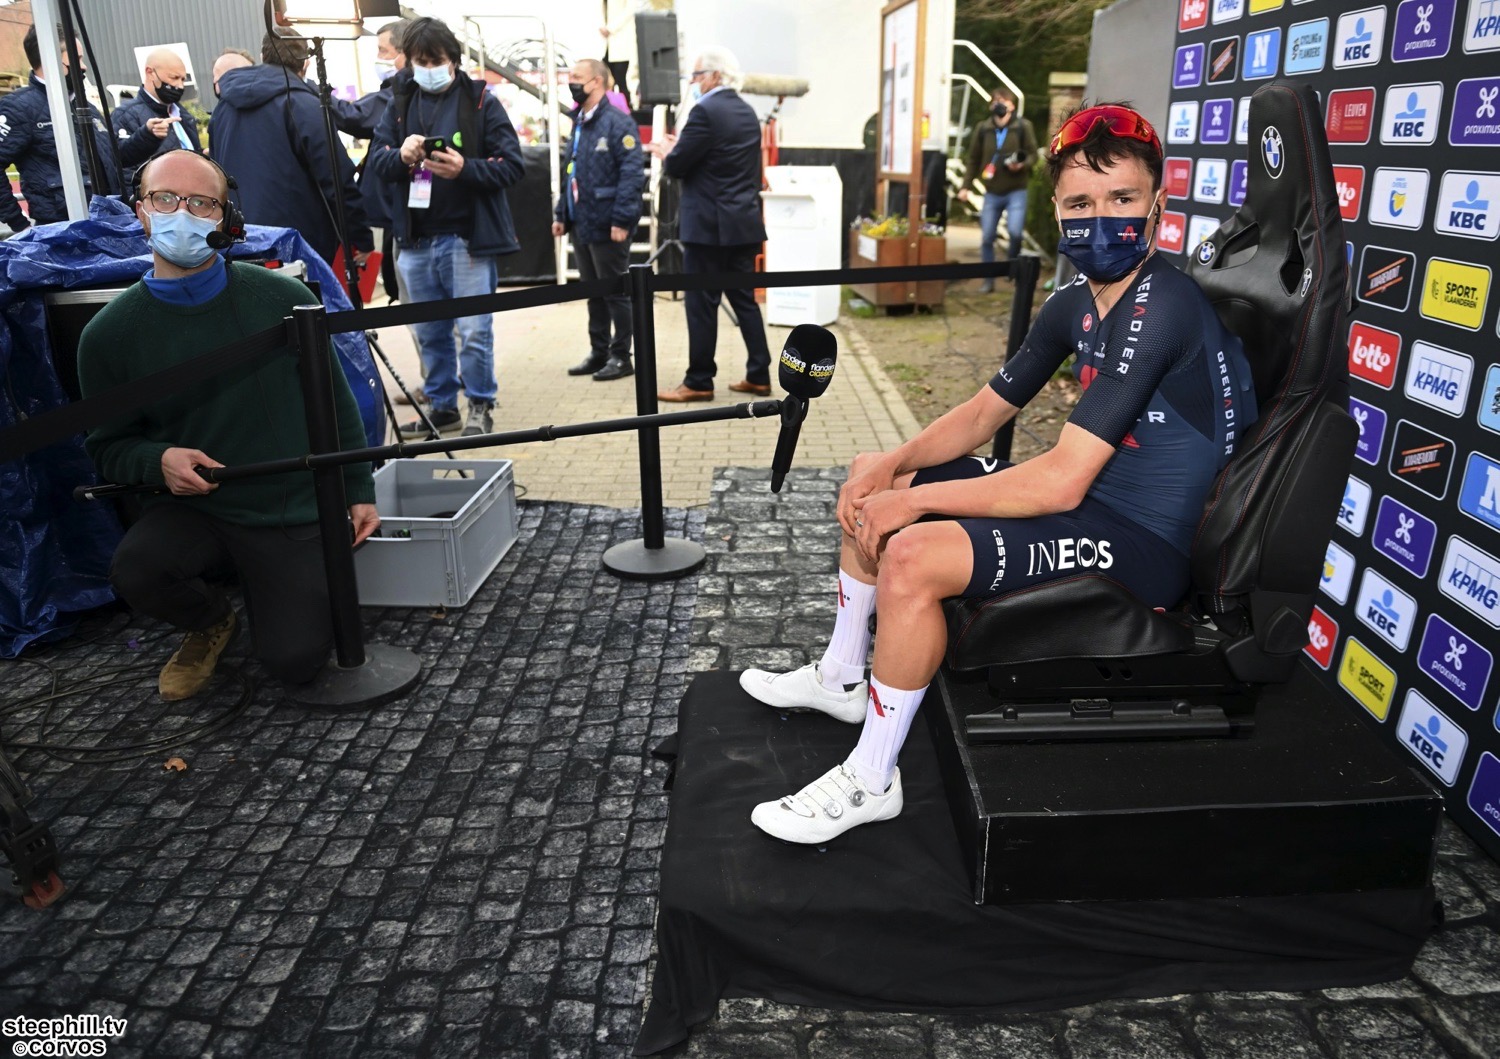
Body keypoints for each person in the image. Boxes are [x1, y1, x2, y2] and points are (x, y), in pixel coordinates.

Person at [739, 104, 1259, 844]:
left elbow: (1059, 483)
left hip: (1145, 545)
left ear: (1158, 204)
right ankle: (842, 677)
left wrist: (908, 506)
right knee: (872, 474)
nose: (1101, 220)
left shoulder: (1163, 307)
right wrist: (891, 465)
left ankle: (872, 778)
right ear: (1057, 211)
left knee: (912, 553)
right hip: (1091, 503)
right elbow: (985, 412)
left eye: (1123, 199)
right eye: (1080, 203)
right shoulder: (1077, 301)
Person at [76, 151, 379, 700]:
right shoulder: (106, 336)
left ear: (226, 219)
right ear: (140, 212)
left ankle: (272, 596)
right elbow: (108, 446)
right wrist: (157, 461)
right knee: (137, 571)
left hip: (290, 506)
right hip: (195, 510)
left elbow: (338, 402)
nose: (182, 213)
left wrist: (358, 489)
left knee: (294, 661)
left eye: (201, 203)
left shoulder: (283, 298)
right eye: (165, 199)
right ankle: (211, 621)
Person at [369, 16, 525, 439]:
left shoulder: (481, 101)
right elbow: (377, 161)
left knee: (473, 330)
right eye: (420, 61)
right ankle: (442, 407)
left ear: (453, 59)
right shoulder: (400, 102)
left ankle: (480, 404)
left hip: (466, 240)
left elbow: (512, 165)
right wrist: (401, 155)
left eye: (435, 60)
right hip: (415, 240)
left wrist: (465, 169)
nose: (428, 69)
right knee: (429, 331)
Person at [647, 46, 771, 403]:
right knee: (744, 302)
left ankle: (699, 381)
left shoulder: (704, 111)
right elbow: (724, 161)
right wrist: (682, 149)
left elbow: (678, 166)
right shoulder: (746, 111)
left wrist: (669, 152)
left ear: (715, 76)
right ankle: (759, 374)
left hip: (708, 228)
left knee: (701, 305)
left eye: (697, 75)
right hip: (742, 224)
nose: (693, 83)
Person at [209, 31, 374, 271]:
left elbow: (215, 175)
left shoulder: (223, 109)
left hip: (240, 242)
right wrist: (360, 237)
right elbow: (336, 179)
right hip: (298, 247)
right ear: (306, 63)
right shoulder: (304, 105)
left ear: (263, 56)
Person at [552, 58, 644, 383]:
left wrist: (622, 219)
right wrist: (562, 214)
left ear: (597, 82)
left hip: (609, 224)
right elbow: (571, 171)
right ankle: (599, 352)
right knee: (594, 292)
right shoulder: (579, 122)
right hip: (582, 223)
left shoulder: (619, 123)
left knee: (616, 293)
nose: (571, 82)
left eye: (577, 76)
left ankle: (622, 356)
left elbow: (632, 175)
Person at [0, 25, 120, 232]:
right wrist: (20, 225)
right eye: (77, 59)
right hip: (61, 232)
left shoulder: (86, 108)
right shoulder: (19, 108)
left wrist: (147, 136)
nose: (83, 67)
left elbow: (116, 155)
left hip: (106, 224)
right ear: (52, 61)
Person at [331, 19, 409, 305]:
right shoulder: (392, 95)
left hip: (400, 212)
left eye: (383, 50)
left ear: (405, 53)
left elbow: (353, 117)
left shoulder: (398, 97)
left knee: (404, 285)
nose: (379, 57)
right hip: (391, 213)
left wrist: (318, 92)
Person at [958, 88, 1037, 293]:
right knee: (987, 237)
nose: (999, 105)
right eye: (996, 101)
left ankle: (1012, 269)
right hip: (992, 191)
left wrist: (1022, 165)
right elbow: (973, 159)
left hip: (1016, 190)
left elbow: (1033, 154)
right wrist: (965, 186)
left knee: (1015, 233)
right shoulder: (983, 129)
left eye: (1004, 101)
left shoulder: (1022, 126)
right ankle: (988, 279)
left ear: (1012, 106)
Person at [112, 47, 202, 189]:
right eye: (174, 78)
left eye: (183, 79)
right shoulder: (126, 115)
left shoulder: (183, 115)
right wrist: (147, 135)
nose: (180, 85)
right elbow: (121, 165)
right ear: (150, 73)